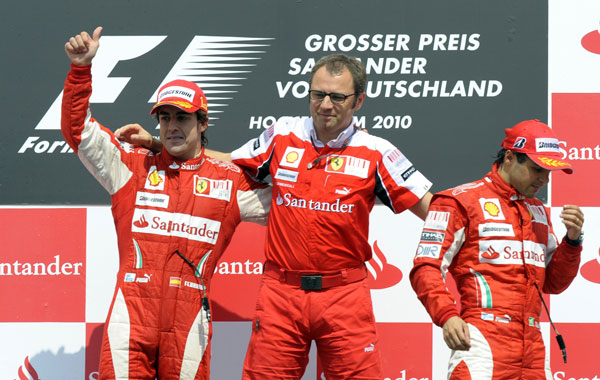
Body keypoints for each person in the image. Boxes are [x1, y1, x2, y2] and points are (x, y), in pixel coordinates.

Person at [121, 53, 434, 379]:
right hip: (282, 295)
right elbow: (228, 162)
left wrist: (480, 229)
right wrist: (161, 145)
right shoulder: (284, 132)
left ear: (358, 101)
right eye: (317, 94)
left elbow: (432, 209)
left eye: (337, 97)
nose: (325, 105)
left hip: (344, 296)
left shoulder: (377, 151)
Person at [62, 26, 270, 380]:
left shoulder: (229, 181)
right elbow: (78, 131)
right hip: (132, 315)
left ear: (203, 122)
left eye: (183, 118)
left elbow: (295, 198)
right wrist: (80, 70)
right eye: (165, 117)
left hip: (190, 322)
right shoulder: (131, 167)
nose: (172, 126)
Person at [409, 119, 584, 380]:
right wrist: (446, 315)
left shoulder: (538, 212)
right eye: (538, 169)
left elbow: (554, 283)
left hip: (533, 345)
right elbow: (426, 266)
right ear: (511, 158)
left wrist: (572, 241)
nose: (544, 179)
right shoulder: (458, 201)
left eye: (549, 172)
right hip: (482, 342)